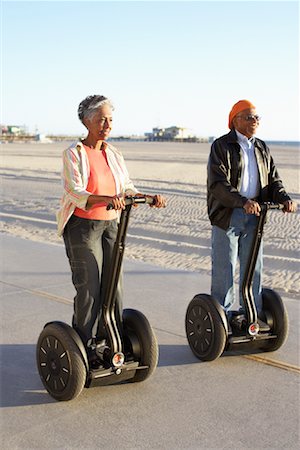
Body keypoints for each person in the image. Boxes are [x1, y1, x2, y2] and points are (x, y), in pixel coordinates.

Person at [57, 95, 166, 364]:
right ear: (86, 121)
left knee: (113, 285)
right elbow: (75, 192)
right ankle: (86, 345)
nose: (107, 124)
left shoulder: (113, 153)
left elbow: (125, 186)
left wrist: (145, 197)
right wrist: (106, 199)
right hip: (83, 226)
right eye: (101, 119)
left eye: (110, 120)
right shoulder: (74, 153)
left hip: (112, 223)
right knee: (89, 287)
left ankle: (111, 338)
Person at [207, 99, 296, 326]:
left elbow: (273, 180)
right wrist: (242, 201)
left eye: (257, 117)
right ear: (235, 120)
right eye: (249, 117)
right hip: (228, 216)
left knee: (253, 268)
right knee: (225, 269)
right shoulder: (221, 146)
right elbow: (218, 184)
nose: (255, 121)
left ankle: (252, 315)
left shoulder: (261, 147)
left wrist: (283, 198)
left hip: (256, 214)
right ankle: (223, 320)